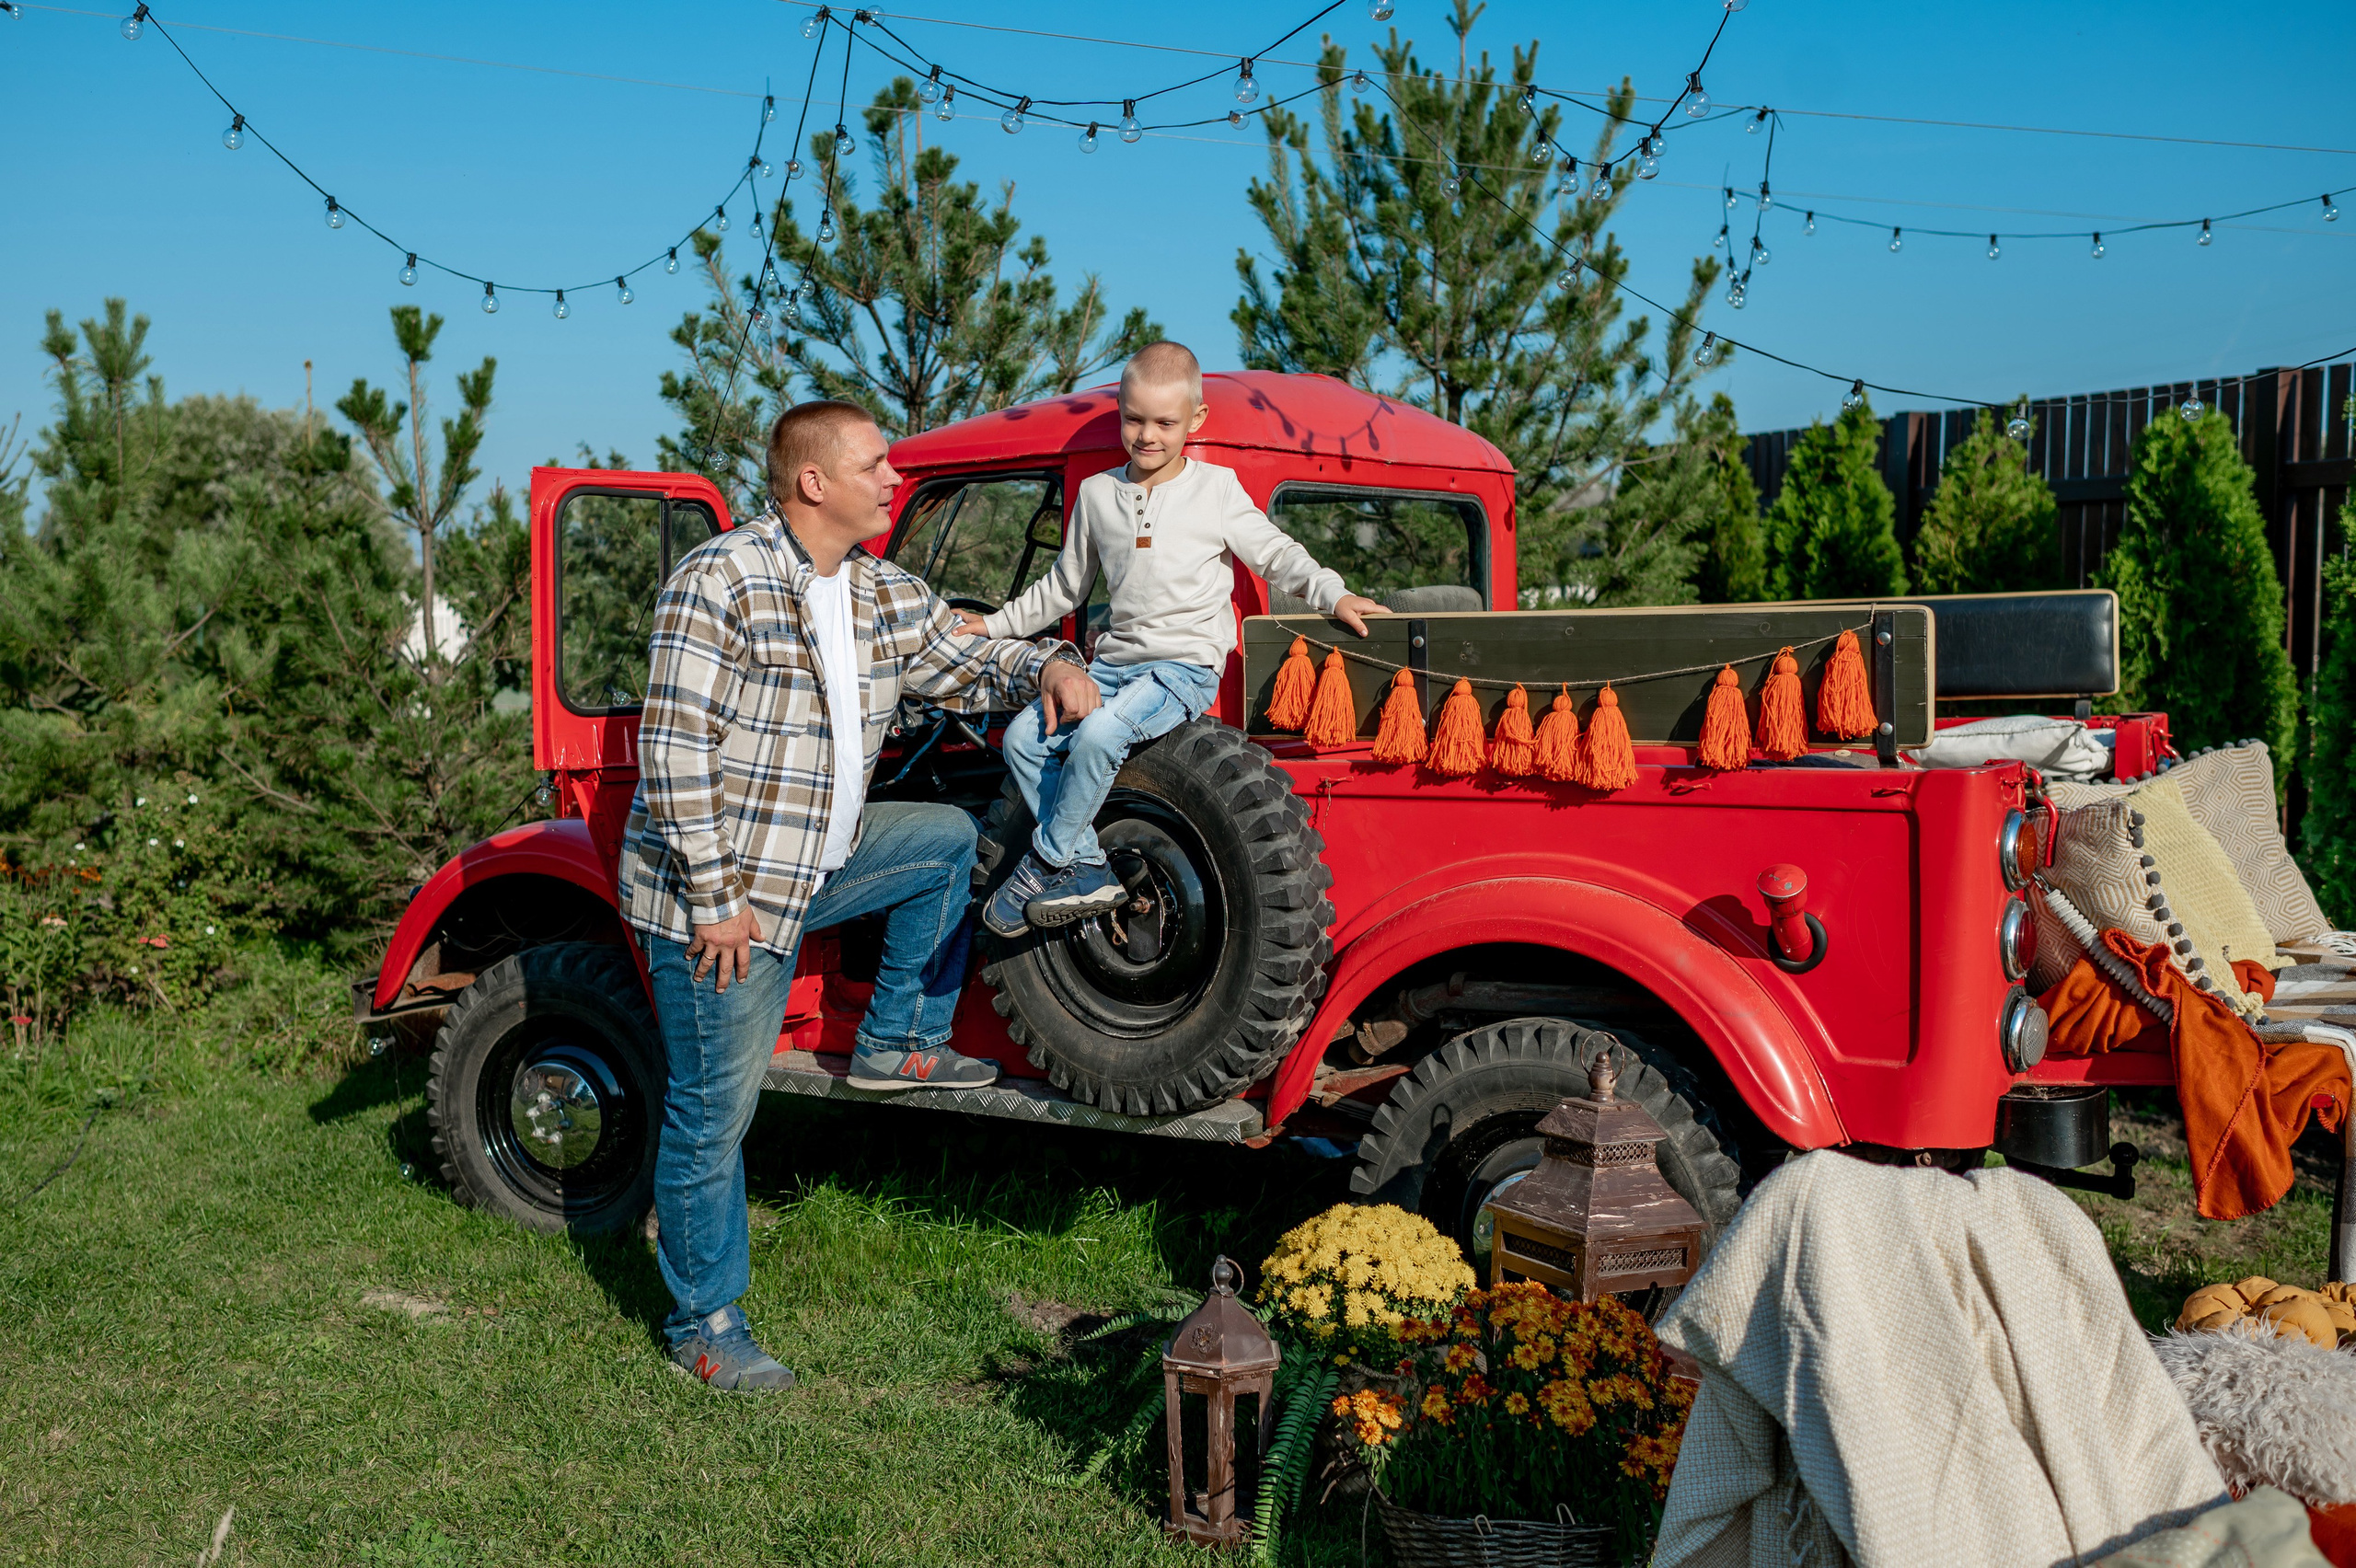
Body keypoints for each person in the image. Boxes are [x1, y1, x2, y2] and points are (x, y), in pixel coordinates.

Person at [618, 398, 1101, 1392]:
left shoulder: (877, 589)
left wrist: (1050, 662)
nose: (892, 479)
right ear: (813, 482)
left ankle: (894, 1040)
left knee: (944, 841)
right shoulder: (720, 580)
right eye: (875, 465)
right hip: (724, 900)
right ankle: (705, 1322)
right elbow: (672, 753)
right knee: (712, 1115)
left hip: (817, 865)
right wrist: (716, 899)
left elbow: (968, 658)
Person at [960, 340, 1386, 936]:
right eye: (1134, 419)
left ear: (1196, 419)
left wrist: (1333, 594)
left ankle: (1046, 863)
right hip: (1113, 667)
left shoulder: (1217, 489)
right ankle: (1086, 864)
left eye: (1165, 422)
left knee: (1099, 736)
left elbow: (1275, 554)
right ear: (1120, 411)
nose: (1147, 435)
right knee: (1024, 741)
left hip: (1182, 668)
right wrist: (993, 624)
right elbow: (1063, 587)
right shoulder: (1098, 495)